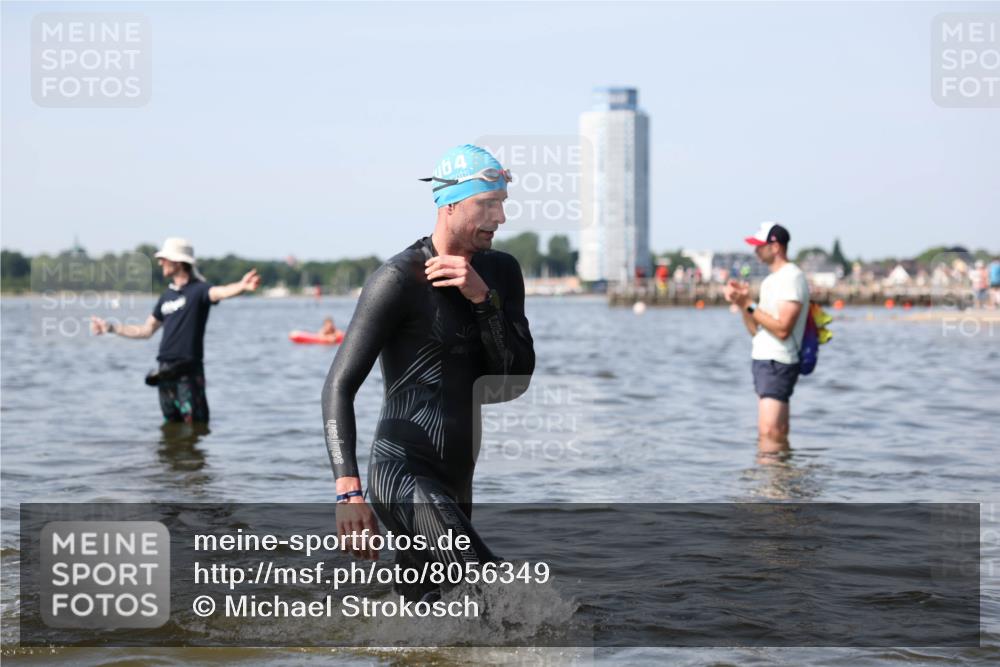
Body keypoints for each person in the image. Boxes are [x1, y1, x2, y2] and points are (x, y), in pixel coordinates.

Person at [320, 144, 534, 600]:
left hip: (457, 479)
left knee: (428, 619)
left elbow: (512, 381)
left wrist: (484, 301)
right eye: (487, 204)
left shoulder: (501, 273)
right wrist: (348, 492)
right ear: (450, 203)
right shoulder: (397, 280)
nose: (499, 217)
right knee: (496, 593)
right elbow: (339, 387)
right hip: (401, 472)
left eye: (502, 204)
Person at [90, 238, 260, 423]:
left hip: (188, 370)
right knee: (170, 426)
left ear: (178, 262)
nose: (160, 262)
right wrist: (111, 327)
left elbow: (221, 292)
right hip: (164, 371)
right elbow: (146, 330)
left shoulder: (199, 290)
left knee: (196, 425)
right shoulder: (166, 296)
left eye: (164, 258)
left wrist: (242, 287)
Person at [723, 222, 809, 457]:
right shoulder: (772, 280)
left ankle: (774, 490)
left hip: (778, 362)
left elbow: (782, 329)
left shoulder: (791, 278)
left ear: (776, 246)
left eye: (760, 246)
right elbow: (756, 330)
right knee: (770, 434)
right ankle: (776, 488)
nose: (755, 251)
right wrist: (743, 303)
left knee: (771, 434)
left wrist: (748, 304)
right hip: (766, 361)